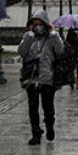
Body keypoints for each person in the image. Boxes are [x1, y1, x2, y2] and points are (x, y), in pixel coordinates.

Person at [18, 10, 65, 145]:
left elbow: (60, 50)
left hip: (47, 76)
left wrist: (53, 34)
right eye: (35, 24)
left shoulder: (51, 38)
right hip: (31, 76)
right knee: (33, 107)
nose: (38, 26)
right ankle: (35, 132)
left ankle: (49, 125)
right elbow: (21, 52)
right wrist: (30, 35)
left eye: (40, 24)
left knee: (47, 106)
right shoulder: (28, 36)